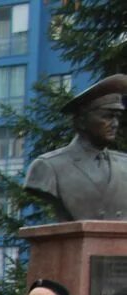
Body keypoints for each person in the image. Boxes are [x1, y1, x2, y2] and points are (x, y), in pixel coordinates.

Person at [23, 74, 127, 222]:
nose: (115, 124)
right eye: (107, 116)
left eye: (117, 117)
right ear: (81, 121)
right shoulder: (48, 166)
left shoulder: (125, 163)